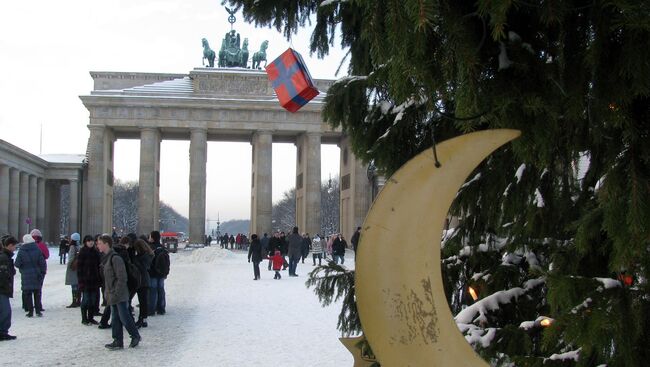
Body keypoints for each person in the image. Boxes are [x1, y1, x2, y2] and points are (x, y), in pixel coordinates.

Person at [96, 234, 141, 350]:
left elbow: (122, 277)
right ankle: (117, 340)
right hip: (112, 293)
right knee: (116, 317)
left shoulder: (115, 258)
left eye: (99, 243)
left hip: (119, 294)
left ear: (106, 244)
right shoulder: (106, 257)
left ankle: (135, 336)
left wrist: (116, 291)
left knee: (124, 316)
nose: (98, 245)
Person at [14, 234, 46, 317]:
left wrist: (23, 267)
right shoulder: (37, 249)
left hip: (26, 275)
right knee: (37, 293)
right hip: (37, 274)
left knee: (28, 293)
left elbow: (17, 263)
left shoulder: (21, 251)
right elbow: (42, 263)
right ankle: (38, 311)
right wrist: (42, 272)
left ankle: (30, 311)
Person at [77, 235, 101, 325]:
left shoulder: (96, 252)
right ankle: (84, 318)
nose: (90, 242)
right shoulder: (82, 252)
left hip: (94, 280)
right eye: (88, 241)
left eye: (91, 241)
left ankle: (91, 318)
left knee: (93, 300)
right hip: (85, 280)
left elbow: (99, 266)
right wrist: (80, 281)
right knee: (86, 300)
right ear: (85, 242)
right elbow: (79, 268)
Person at [0, 236, 18, 340]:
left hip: (3, 288)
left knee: (4, 311)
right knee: (5, 311)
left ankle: (3, 331)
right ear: (10, 245)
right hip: (2, 289)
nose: (15, 248)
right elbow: (4, 275)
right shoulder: (4, 258)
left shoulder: (5, 257)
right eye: (14, 246)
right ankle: (2, 332)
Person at [132, 239, 153, 328]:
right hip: (146, 280)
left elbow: (139, 267)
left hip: (141, 280)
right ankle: (144, 319)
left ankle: (141, 319)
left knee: (142, 301)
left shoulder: (140, 257)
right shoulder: (149, 255)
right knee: (144, 301)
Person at [148, 230, 169, 316]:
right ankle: (161, 308)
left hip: (153, 273)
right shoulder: (162, 248)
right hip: (161, 273)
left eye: (150, 237)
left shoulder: (150, 248)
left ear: (152, 238)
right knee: (161, 290)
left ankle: (152, 309)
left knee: (153, 291)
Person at [30, 229, 48, 313]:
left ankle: (27, 305)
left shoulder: (27, 246)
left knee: (28, 287)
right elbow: (47, 255)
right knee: (38, 288)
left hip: (29, 269)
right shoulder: (42, 245)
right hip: (40, 269)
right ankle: (38, 305)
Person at [65, 233, 81, 308]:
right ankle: (78, 300)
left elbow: (71, 258)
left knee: (74, 286)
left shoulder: (72, 247)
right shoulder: (79, 246)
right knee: (78, 285)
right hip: (78, 268)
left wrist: (69, 265)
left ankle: (74, 301)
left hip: (73, 268)